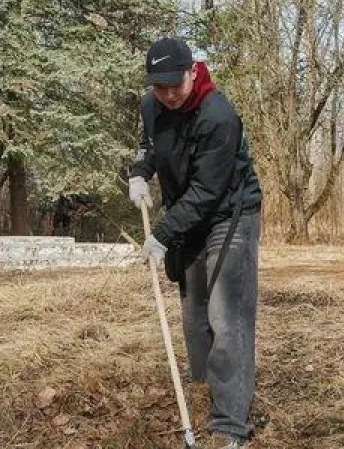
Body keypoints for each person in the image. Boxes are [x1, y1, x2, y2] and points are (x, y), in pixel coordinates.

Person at [127, 37, 262, 449]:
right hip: (189, 215)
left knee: (227, 314)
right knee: (194, 314)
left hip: (229, 213)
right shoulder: (151, 106)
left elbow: (207, 191)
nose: (168, 94)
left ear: (192, 72)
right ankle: (205, 390)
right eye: (159, 86)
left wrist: (162, 234)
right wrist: (139, 172)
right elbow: (150, 146)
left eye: (175, 84)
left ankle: (230, 423)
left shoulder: (218, 115)